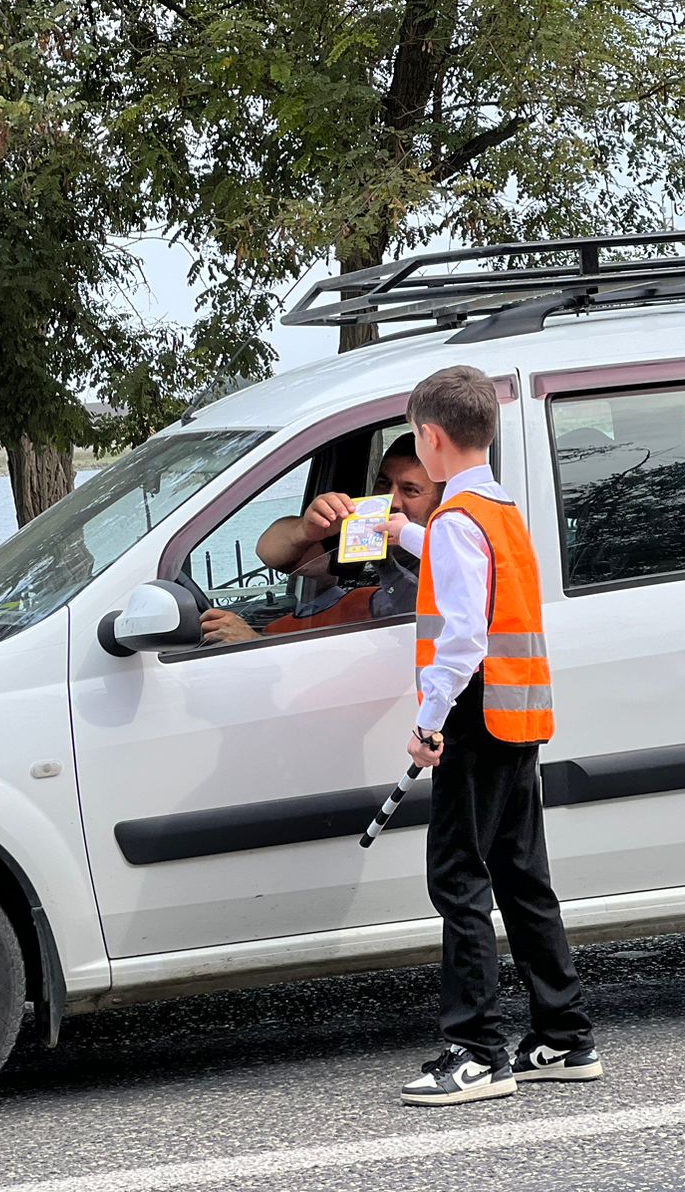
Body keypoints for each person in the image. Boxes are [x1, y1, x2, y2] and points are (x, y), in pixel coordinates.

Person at [386, 365, 600, 1107]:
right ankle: (563, 1035)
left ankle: (476, 1052)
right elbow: (475, 581)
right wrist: (405, 534)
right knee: (519, 875)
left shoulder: (456, 521)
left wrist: (428, 722)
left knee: (458, 879)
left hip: (473, 716)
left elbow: (461, 637)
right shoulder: (497, 510)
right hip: (516, 716)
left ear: (430, 438)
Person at [199, 433, 443, 644]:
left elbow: (417, 624)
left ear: (441, 500)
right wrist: (305, 530)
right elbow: (270, 553)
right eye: (383, 483)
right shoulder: (364, 537)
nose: (392, 500)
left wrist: (255, 643)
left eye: (410, 490)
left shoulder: (448, 554)